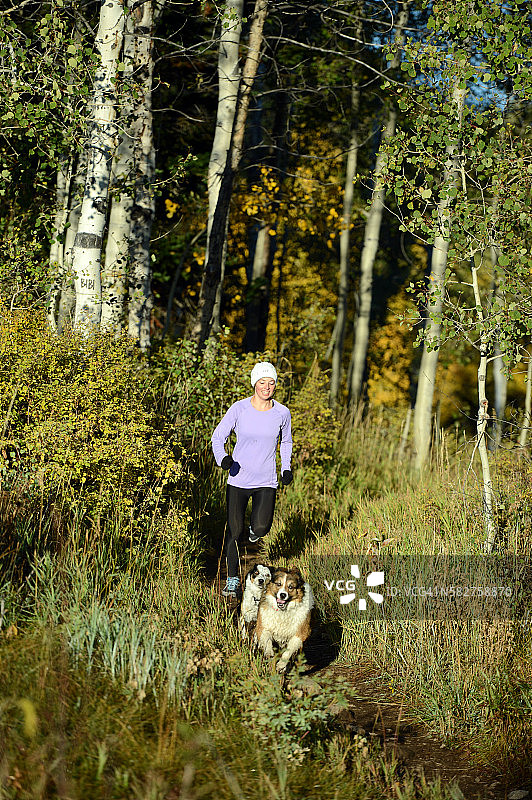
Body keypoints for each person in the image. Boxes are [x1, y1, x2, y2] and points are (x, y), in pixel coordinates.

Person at [211, 361, 293, 598]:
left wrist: (285, 468)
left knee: (260, 527)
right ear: (254, 383)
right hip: (238, 479)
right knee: (234, 531)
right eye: (262, 382)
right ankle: (233, 579)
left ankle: (254, 531)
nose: (266, 387)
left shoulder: (282, 413)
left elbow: (286, 441)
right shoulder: (239, 409)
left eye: (271, 383)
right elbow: (218, 437)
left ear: (275, 385)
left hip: (266, 480)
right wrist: (223, 459)